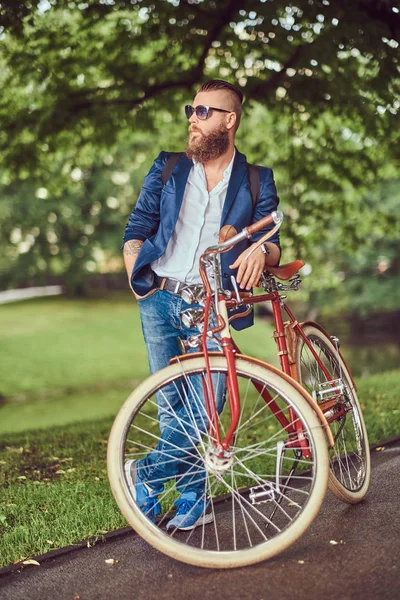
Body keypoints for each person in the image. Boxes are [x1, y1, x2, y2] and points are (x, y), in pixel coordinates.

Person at [121, 80, 281, 530]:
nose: (193, 117)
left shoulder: (256, 179)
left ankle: (147, 475)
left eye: (205, 111)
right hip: (159, 299)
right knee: (171, 402)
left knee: (208, 402)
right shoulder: (169, 166)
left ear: (230, 120)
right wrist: (135, 274)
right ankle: (193, 496)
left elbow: (274, 246)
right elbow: (138, 225)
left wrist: (258, 251)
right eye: (191, 109)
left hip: (216, 305)